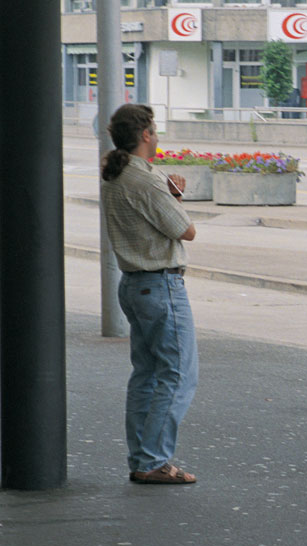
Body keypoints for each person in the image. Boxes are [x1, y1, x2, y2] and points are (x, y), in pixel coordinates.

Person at [101, 103, 198, 485]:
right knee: (177, 375)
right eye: (154, 130)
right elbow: (185, 230)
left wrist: (167, 195)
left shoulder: (116, 176)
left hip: (133, 284)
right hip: (162, 285)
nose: (157, 137)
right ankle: (154, 460)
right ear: (145, 135)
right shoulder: (146, 180)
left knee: (146, 376)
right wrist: (175, 196)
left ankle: (141, 457)